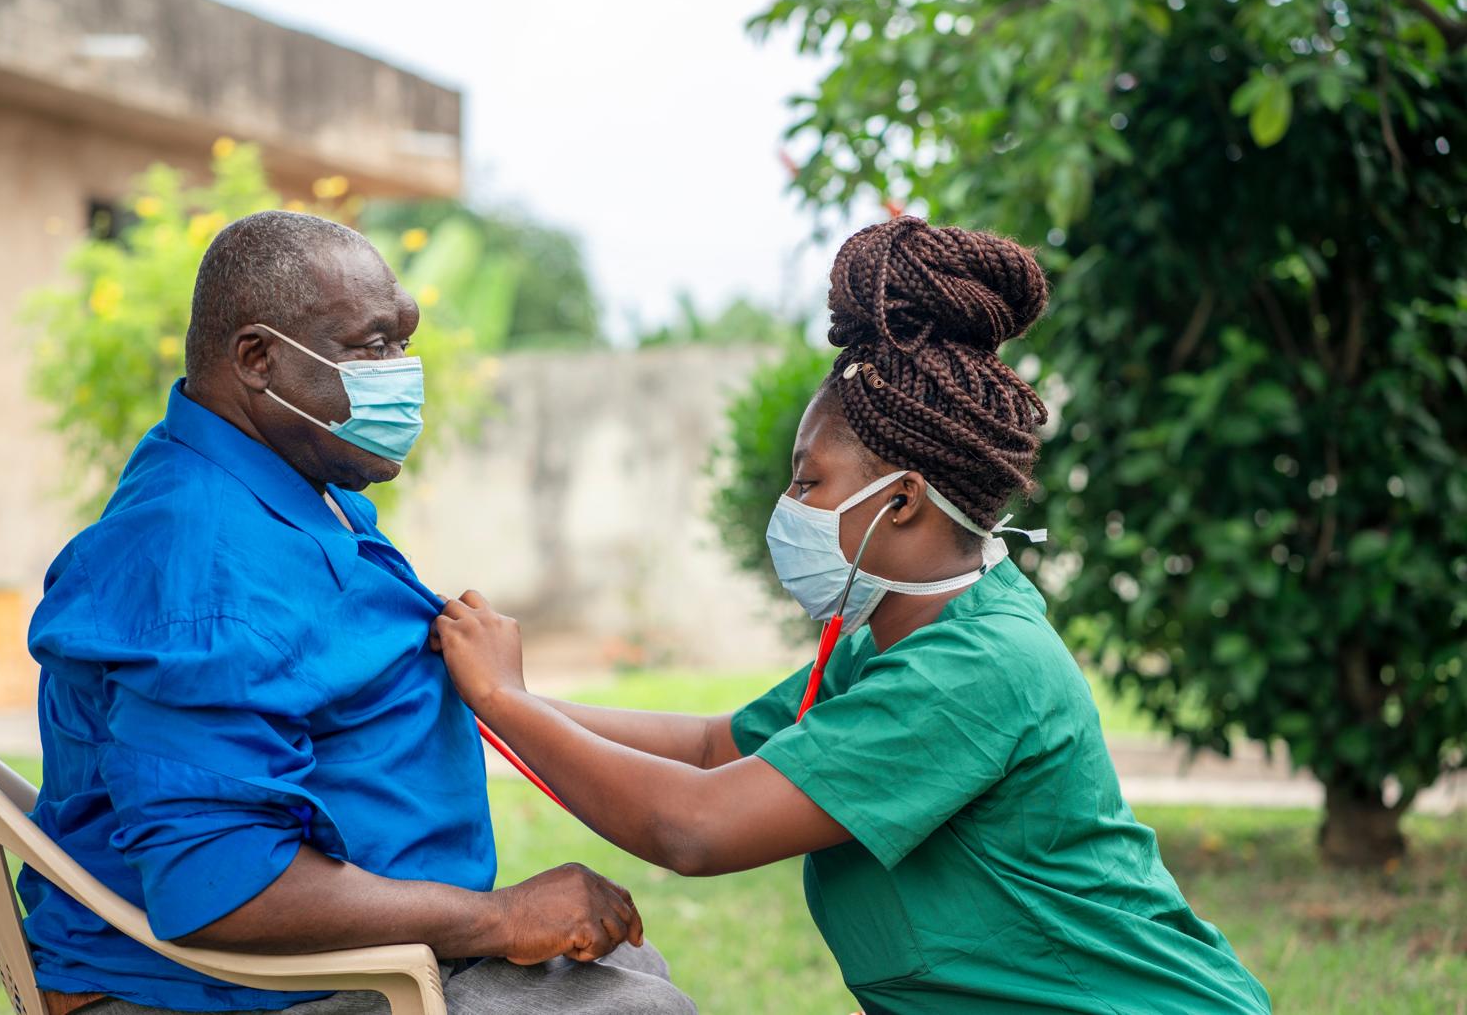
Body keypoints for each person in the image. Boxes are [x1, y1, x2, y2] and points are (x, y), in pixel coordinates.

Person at [433, 217, 1274, 1014]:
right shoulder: (895, 634)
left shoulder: (973, 668)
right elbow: (712, 748)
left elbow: (695, 826)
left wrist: (505, 702)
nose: (787, 505)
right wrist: (494, 700)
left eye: (808, 482)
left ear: (901, 500)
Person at [21, 210, 694, 1015]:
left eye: (402, 342)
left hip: (334, 958)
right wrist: (503, 916)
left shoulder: (287, 484)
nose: (401, 372)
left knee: (632, 974)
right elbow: (221, 889)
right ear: (258, 360)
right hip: (221, 988)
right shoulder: (206, 570)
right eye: (371, 347)